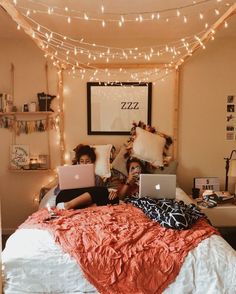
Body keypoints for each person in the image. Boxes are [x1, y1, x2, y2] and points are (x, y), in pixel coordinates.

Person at [56, 144, 119, 209]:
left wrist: (112, 194)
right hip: (65, 200)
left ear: (92, 163)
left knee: (113, 198)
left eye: (87, 161)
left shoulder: (97, 178)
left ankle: (81, 208)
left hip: (86, 203)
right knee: (103, 190)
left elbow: (101, 194)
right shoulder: (71, 175)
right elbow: (57, 193)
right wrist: (63, 182)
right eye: (82, 161)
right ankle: (69, 205)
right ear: (78, 163)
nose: (84, 164)